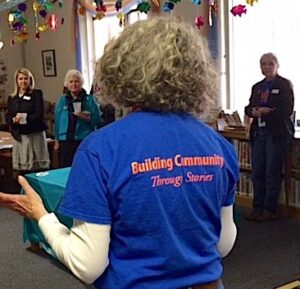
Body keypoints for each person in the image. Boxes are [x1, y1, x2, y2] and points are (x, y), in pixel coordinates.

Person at [0, 18, 239, 289]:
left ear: (121, 71)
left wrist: (41, 215)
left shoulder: (101, 148)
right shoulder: (218, 145)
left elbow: (88, 265)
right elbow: (223, 243)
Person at [245, 52, 295, 222]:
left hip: (276, 134)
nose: (266, 67)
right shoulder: (257, 87)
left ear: (277, 65)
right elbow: (248, 107)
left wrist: (266, 113)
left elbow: (286, 109)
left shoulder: (284, 85)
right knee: (258, 171)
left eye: (269, 64)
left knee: (272, 172)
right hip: (258, 133)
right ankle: (257, 207)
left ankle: (269, 208)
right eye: (263, 64)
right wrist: (253, 112)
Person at [6, 67, 50, 173]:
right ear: (16, 80)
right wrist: (13, 120)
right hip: (20, 136)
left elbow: (39, 114)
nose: (23, 81)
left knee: (38, 168)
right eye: (20, 79)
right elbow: (8, 116)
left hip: (35, 134)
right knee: (23, 169)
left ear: (30, 80)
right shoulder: (12, 97)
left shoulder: (36, 94)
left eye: (26, 78)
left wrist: (23, 119)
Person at [54, 69, 101, 167]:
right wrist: (57, 140)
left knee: (83, 166)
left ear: (81, 83)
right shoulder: (63, 100)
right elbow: (57, 120)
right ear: (67, 84)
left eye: (76, 81)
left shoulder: (89, 99)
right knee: (65, 167)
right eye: (71, 82)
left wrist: (86, 118)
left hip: (83, 138)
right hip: (65, 139)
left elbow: (97, 119)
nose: (74, 84)